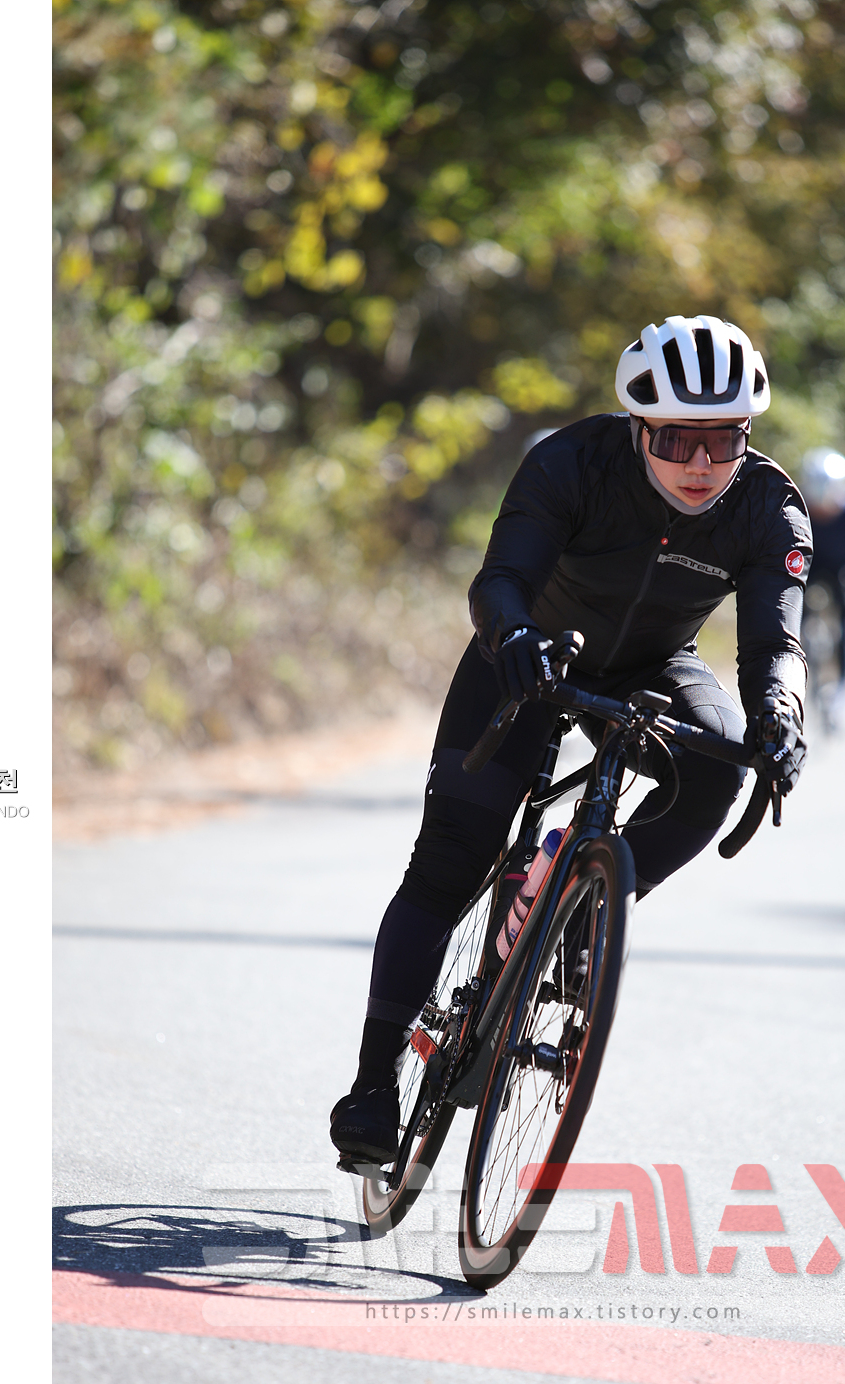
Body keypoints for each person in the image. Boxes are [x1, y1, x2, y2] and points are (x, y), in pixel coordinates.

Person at [330, 315, 812, 1164]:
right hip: (528, 655)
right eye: (677, 439)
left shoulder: (769, 508)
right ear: (638, 425)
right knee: (449, 861)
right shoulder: (570, 461)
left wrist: (784, 712)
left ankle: (585, 913)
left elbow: (775, 646)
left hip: (655, 664)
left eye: (725, 439)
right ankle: (373, 1086)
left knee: (721, 757)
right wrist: (513, 635)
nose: (702, 464)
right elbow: (500, 581)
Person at [796, 448, 845, 727]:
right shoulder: (800, 509)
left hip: (842, 567)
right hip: (811, 563)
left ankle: (842, 689)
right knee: (794, 613)